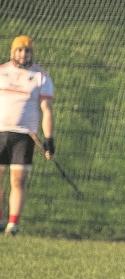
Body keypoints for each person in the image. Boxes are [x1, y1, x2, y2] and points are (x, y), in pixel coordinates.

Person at [0, 35, 55, 236]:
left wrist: (49, 139)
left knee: (18, 180)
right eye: (20, 50)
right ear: (13, 52)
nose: (23, 54)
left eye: (27, 51)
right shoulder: (2, 71)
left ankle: (13, 224)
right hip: (0, 131)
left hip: (24, 135)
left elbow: (46, 109)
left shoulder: (41, 76)